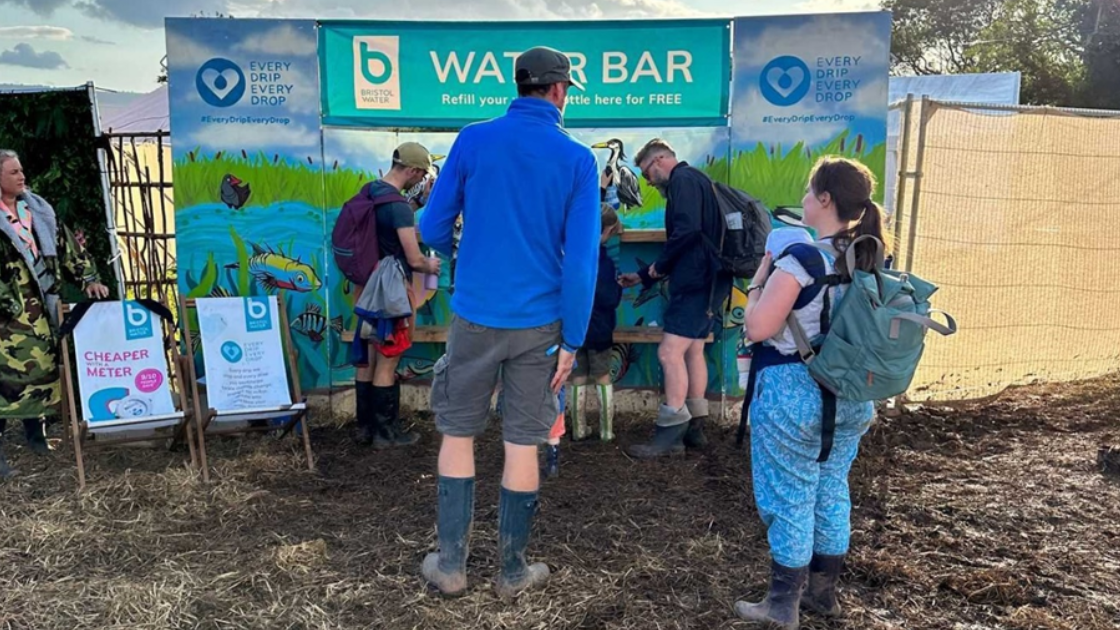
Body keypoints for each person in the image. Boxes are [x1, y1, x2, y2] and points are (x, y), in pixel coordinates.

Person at [416, 47, 600, 598]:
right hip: (542, 326)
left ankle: (450, 567)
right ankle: (512, 571)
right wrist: (572, 339)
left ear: (519, 86)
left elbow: (431, 225)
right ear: (560, 91)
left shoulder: (473, 138)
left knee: (457, 432)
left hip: (474, 315)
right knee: (523, 442)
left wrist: (457, 257)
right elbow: (583, 262)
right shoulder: (577, 158)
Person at [733, 157, 885, 629]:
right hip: (851, 396)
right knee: (831, 490)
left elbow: (758, 327)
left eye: (807, 191)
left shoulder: (802, 259)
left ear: (824, 200)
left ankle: (782, 606)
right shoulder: (870, 255)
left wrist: (760, 278)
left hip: (793, 396)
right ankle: (823, 595)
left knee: (791, 496)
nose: (801, 200)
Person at [619, 139, 731, 459]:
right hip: (712, 280)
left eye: (647, 174)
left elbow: (686, 232)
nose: (649, 183)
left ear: (659, 161)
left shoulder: (681, 182)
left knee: (669, 353)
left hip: (694, 280)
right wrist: (644, 276)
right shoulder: (699, 180)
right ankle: (695, 425)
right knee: (693, 349)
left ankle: (670, 434)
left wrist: (655, 269)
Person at [0, 150, 108, 478]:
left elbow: (66, 248)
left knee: (41, 372)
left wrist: (89, 278)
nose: (22, 176)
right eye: (13, 172)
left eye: (21, 170)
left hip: (41, 309)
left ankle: (37, 437)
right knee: (4, 381)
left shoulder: (37, 210)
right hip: (6, 316)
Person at [352, 143, 441, 449]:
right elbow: (415, 260)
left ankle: (365, 428)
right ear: (413, 170)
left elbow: (385, 225)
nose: (421, 180)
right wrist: (431, 265)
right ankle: (386, 433)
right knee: (389, 357)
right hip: (390, 290)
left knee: (370, 357)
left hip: (365, 288)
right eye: (421, 174)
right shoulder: (398, 207)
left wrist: (414, 205)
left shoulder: (370, 192)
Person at [569, 204, 624, 443]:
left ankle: (578, 429)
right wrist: (618, 287)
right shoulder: (605, 264)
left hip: (574, 328)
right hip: (600, 328)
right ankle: (606, 431)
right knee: (602, 375)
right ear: (606, 232)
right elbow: (609, 298)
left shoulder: (572, 256)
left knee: (577, 376)